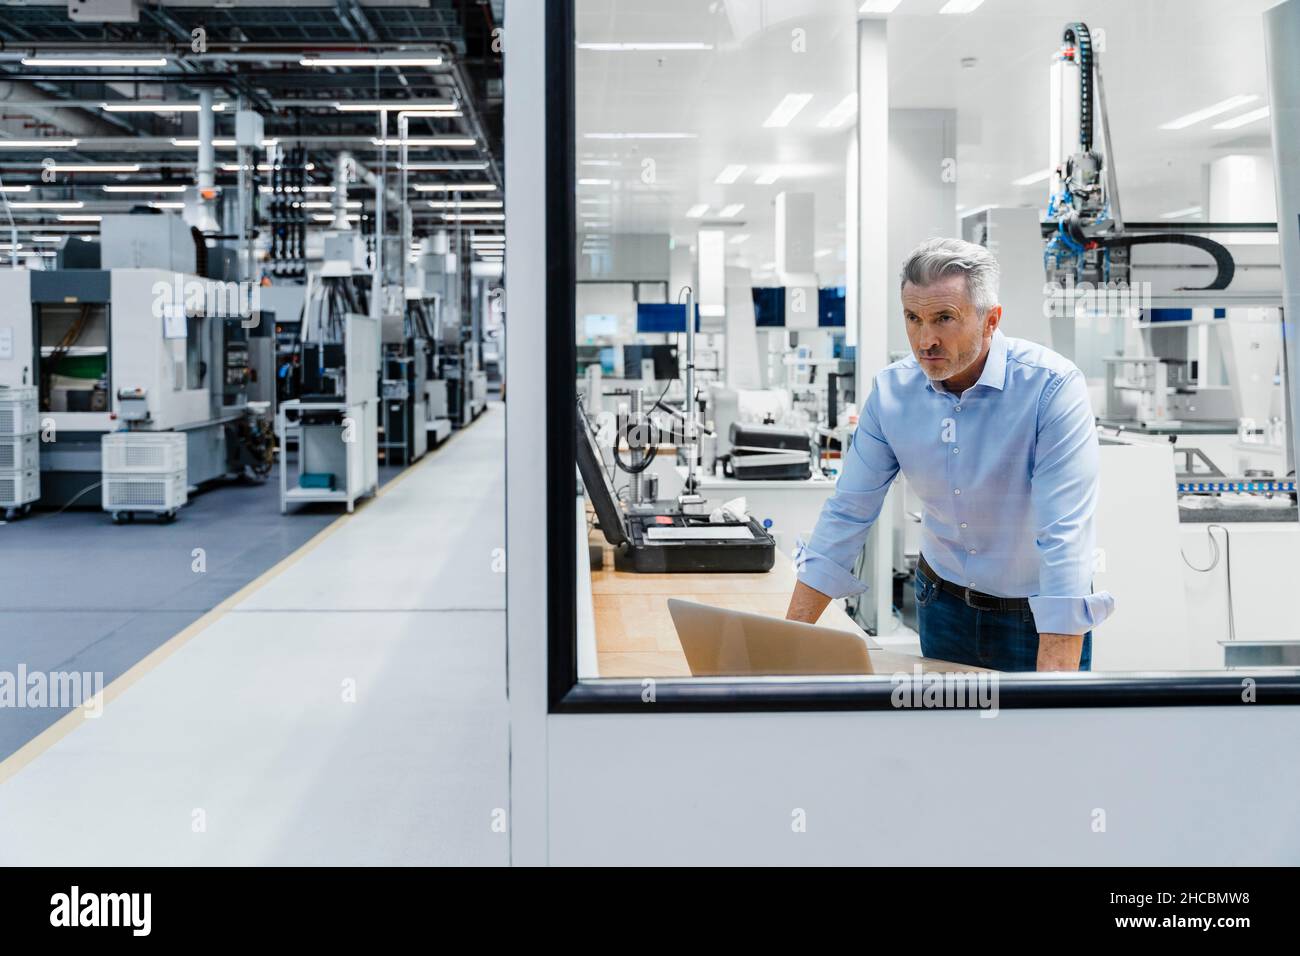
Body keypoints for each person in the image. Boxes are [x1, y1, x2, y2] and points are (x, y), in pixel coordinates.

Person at [785, 237, 1113, 671]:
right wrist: (785, 645)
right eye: (913, 318)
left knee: (1044, 736)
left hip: (1037, 613)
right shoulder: (892, 393)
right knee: (945, 735)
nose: (925, 339)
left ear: (991, 320)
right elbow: (849, 510)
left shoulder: (1051, 388)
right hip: (941, 602)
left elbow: (1064, 537)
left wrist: (1054, 683)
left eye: (944, 318)